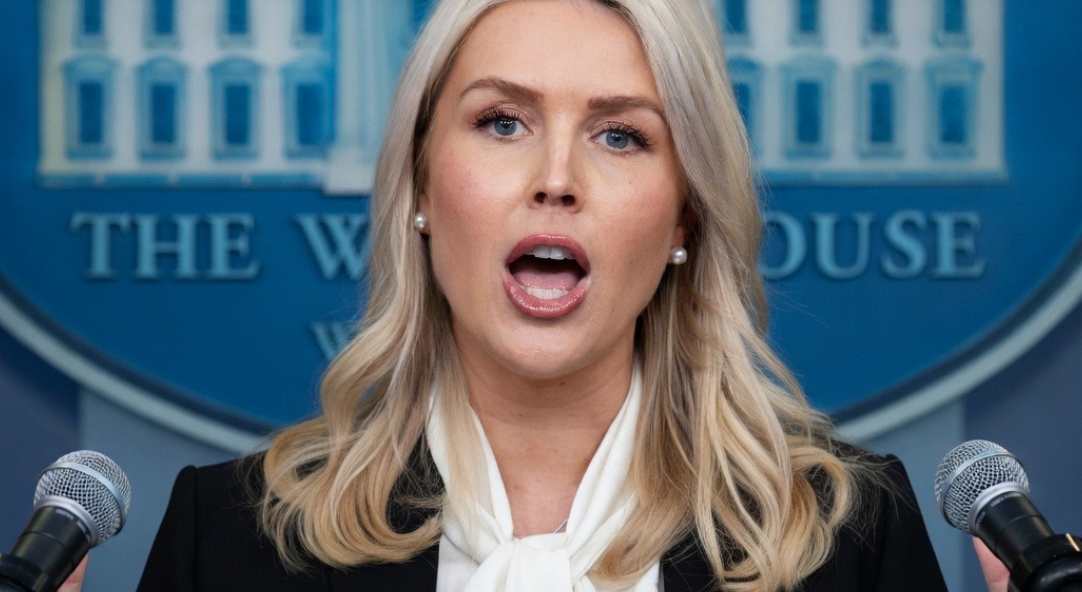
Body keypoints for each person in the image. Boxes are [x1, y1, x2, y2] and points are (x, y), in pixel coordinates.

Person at [63, 0, 1007, 590]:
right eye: (503, 122)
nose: (556, 179)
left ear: (684, 215)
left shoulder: (851, 537)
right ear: (422, 186)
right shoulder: (229, 540)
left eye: (621, 136)